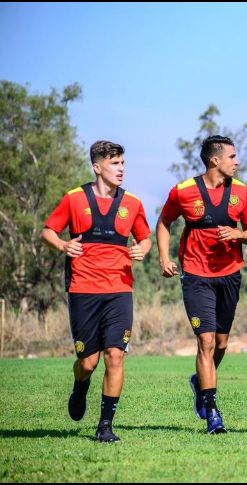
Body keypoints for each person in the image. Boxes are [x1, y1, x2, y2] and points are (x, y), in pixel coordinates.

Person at [41, 140, 152, 442]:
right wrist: (63, 244)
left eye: (122, 163)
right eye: (115, 163)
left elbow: (145, 239)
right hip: (82, 289)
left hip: (119, 290)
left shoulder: (133, 203)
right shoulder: (74, 199)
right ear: (97, 166)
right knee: (88, 362)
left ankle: (105, 426)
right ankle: (80, 386)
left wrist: (141, 249)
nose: (121, 169)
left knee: (115, 356)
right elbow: (48, 230)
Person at [157, 135, 247, 434]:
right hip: (195, 275)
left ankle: (198, 380)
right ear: (215, 160)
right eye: (232, 156)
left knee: (222, 343)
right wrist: (164, 257)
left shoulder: (242, 192)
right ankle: (213, 412)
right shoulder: (184, 191)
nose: (236, 161)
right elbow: (164, 222)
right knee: (206, 341)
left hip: (229, 274)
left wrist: (238, 235)